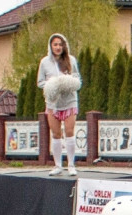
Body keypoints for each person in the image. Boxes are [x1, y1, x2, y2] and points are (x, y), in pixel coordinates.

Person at [37, 33, 81, 176]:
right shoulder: (44, 62)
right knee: (55, 134)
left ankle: (71, 165)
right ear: (50, 46)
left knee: (69, 131)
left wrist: (67, 82)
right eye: (55, 44)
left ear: (64, 46)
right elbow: (40, 82)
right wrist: (52, 85)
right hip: (53, 103)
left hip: (69, 101)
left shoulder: (71, 60)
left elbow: (77, 79)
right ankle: (57, 165)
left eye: (60, 45)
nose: (57, 47)